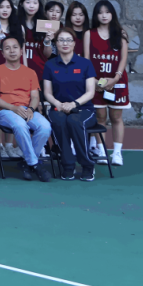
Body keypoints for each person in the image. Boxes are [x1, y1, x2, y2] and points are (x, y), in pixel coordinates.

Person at [0, 35, 52, 182]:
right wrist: (13, 108)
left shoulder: (30, 72)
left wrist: (31, 109)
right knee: (20, 125)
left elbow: (35, 97)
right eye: (7, 48)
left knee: (45, 127)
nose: (12, 51)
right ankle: (34, 164)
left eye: (15, 47)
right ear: (2, 53)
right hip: (4, 110)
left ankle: (27, 163)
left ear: (21, 51)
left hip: (26, 109)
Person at [43, 26, 99, 181]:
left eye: (68, 40)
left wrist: (74, 104)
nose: (65, 43)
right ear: (56, 43)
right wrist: (59, 104)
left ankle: (87, 165)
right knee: (59, 121)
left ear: (74, 43)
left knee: (74, 121)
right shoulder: (50, 65)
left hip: (83, 109)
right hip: (58, 107)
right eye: (61, 40)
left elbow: (90, 92)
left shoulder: (85, 64)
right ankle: (68, 165)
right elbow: (47, 93)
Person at [85, 0, 130, 166]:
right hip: (97, 82)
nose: (104, 15)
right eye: (100, 12)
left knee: (116, 117)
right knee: (100, 117)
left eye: (107, 12)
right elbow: (87, 60)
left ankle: (117, 153)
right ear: (96, 15)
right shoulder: (90, 34)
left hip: (117, 81)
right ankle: (102, 150)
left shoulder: (121, 33)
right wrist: (94, 80)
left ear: (112, 14)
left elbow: (123, 59)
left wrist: (116, 78)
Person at [16, 0, 54, 81]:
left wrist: (48, 41)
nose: (31, 6)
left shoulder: (44, 24)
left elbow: (47, 55)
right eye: (28, 2)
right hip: (19, 71)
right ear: (21, 4)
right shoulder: (15, 23)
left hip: (40, 72)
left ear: (39, 5)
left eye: (35, 3)